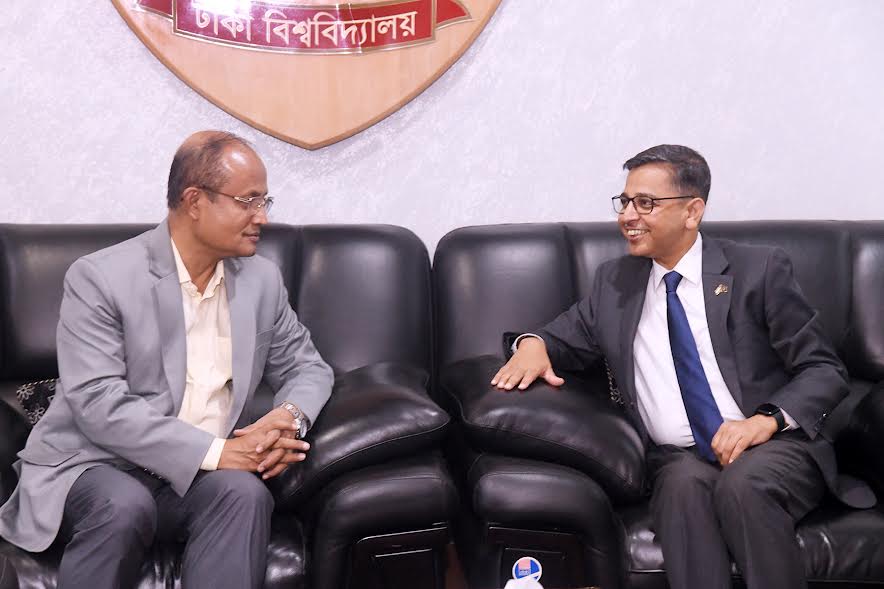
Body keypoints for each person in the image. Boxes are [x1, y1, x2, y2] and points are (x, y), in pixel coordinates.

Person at [491, 144, 873, 589]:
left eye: (645, 203)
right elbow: (558, 338)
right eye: (625, 201)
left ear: (692, 212)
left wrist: (763, 421)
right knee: (681, 490)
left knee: (743, 486)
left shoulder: (759, 270)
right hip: (679, 458)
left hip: (773, 445)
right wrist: (531, 344)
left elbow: (824, 369)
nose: (627, 216)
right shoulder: (616, 283)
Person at [0, 131, 334, 588]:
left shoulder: (262, 280)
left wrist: (288, 418)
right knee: (124, 504)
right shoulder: (100, 278)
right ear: (195, 201)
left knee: (244, 492)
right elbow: (98, 403)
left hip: (196, 477)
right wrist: (219, 452)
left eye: (264, 201)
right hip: (95, 464)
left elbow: (306, 366)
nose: (262, 216)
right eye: (248, 201)